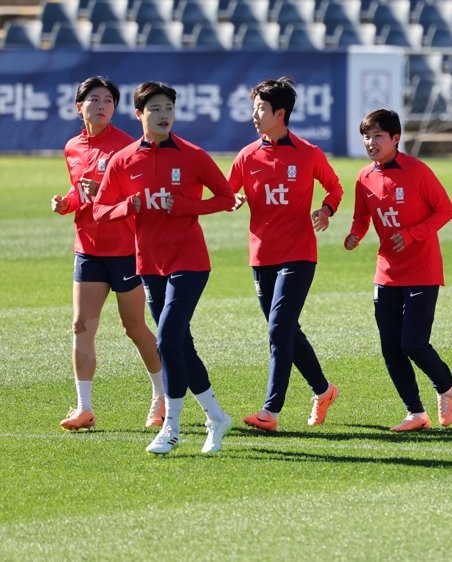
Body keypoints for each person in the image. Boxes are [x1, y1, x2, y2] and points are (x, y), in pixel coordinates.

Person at [93, 81, 234, 454]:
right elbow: (100, 210)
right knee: (180, 345)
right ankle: (216, 417)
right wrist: (128, 207)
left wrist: (187, 205)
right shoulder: (124, 160)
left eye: (169, 107)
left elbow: (227, 198)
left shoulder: (193, 155)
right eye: (155, 108)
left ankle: (171, 428)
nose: (164, 114)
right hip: (149, 263)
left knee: (167, 339)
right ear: (139, 115)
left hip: (190, 261)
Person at [51, 76, 165, 431]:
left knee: (134, 327)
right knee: (81, 325)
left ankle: (161, 397)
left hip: (125, 249)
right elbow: (78, 191)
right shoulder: (72, 146)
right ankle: (84, 408)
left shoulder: (127, 147)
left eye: (108, 101)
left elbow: (139, 197)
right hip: (88, 248)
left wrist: (103, 191)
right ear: (79, 106)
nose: (102, 105)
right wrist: (66, 202)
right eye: (95, 99)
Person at [228, 78, 342, 432]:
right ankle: (323, 391)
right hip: (261, 256)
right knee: (287, 330)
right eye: (254, 108)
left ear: (280, 113)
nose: (254, 115)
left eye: (261, 109)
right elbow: (226, 192)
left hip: (299, 254)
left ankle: (270, 412)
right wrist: (233, 199)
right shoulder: (247, 156)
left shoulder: (308, 154)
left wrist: (326, 209)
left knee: (278, 329)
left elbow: (335, 187)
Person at [344, 109, 452, 431]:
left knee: (413, 343)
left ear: (396, 138)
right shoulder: (364, 176)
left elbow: (444, 210)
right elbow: (361, 217)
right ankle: (415, 413)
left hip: (423, 270)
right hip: (387, 273)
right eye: (366, 136)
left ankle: (445, 386)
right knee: (391, 348)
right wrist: (355, 235)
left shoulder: (418, 171)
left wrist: (410, 235)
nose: (371, 142)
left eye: (378, 136)